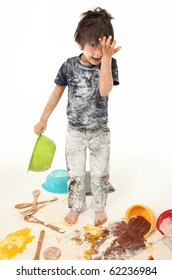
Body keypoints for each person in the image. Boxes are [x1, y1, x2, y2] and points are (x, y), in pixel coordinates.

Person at [34, 7, 121, 226]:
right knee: (75, 173)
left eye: (103, 47)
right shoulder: (69, 66)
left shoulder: (108, 63)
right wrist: (43, 118)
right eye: (93, 46)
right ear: (79, 42)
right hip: (75, 131)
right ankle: (75, 206)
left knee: (101, 173)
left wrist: (108, 60)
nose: (98, 53)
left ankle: (99, 207)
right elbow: (56, 94)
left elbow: (104, 90)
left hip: (100, 130)